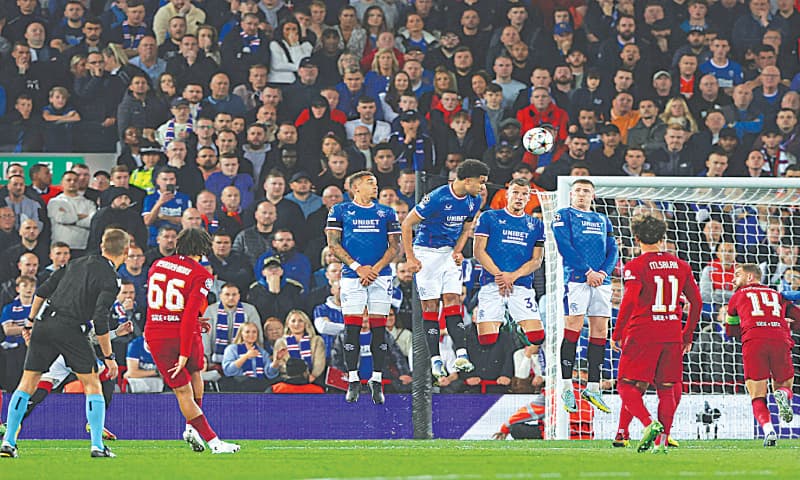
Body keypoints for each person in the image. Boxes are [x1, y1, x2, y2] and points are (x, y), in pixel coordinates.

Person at [0, 229, 129, 459]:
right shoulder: (112, 279)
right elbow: (100, 318)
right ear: (126, 252)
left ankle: (8, 442)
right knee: (92, 385)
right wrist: (109, 358)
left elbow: (43, 290)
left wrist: (30, 322)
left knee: (27, 383)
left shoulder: (76, 263)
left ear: (102, 246)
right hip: (70, 328)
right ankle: (97, 445)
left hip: (43, 323)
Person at [144, 228, 239, 454]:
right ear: (203, 248)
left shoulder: (157, 264)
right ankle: (214, 442)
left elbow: (157, 305)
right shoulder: (201, 274)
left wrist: (196, 324)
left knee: (197, 372)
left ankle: (191, 428)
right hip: (179, 334)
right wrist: (185, 350)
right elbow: (187, 315)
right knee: (185, 389)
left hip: (158, 331)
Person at [612, 214, 702, 454]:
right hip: (672, 333)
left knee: (626, 384)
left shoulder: (635, 266)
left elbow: (630, 301)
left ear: (636, 238)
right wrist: (687, 334)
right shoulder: (680, 265)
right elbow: (697, 302)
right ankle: (661, 440)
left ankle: (648, 423)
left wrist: (617, 332)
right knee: (667, 388)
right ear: (663, 237)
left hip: (642, 332)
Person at [401, 159, 489, 381]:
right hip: (426, 252)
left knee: (453, 300)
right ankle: (435, 360)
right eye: (480, 182)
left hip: (448, 252)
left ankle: (461, 354)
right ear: (467, 180)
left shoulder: (474, 200)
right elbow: (407, 224)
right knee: (430, 306)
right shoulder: (437, 198)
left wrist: (458, 251)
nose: (482, 187)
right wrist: (410, 257)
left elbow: (467, 227)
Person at [325, 171, 400, 403]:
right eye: (370, 183)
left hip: (381, 276)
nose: (375, 187)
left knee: (379, 330)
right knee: (353, 329)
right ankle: (354, 379)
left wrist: (374, 269)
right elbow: (333, 244)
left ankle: (377, 380)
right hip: (351, 276)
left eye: (376, 183)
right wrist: (358, 268)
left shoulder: (386, 212)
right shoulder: (340, 210)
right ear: (355, 187)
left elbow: (394, 246)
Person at [551, 179, 618, 414]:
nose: (581, 194)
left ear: (594, 196)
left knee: (601, 331)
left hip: (601, 281)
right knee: (574, 327)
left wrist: (603, 273)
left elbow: (613, 249)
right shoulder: (564, 215)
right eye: (578, 190)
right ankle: (567, 386)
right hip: (577, 280)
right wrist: (587, 271)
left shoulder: (603, 219)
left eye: (586, 191)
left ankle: (593, 386)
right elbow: (564, 246)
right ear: (571, 194)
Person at [725, 263, 800, 447]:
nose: (733, 279)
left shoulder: (736, 297)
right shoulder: (777, 295)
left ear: (750, 277)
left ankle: (769, 431)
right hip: (779, 339)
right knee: (784, 384)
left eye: (737, 275)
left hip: (754, 342)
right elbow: (797, 317)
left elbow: (731, 332)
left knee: (757, 394)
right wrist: (787, 324)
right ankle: (783, 394)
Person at [473, 178, 545, 357]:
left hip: (520, 286)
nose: (519, 197)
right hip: (492, 284)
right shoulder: (489, 217)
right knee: (486, 340)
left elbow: (537, 260)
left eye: (524, 194)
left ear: (529, 198)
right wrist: (500, 275)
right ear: (507, 195)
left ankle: (514, 325)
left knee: (537, 337)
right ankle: (505, 323)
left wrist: (512, 276)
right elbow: (478, 251)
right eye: (515, 192)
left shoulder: (536, 225)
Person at [220, 322, 283, 392]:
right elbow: (228, 371)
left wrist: (276, 361)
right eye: (247, 332)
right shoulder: (232, 349)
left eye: (254, 332)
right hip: (239, 387)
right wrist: (246, 356)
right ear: (241, 334)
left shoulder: (262, 352)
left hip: (259, 386)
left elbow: (269, 374)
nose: (251, 335)